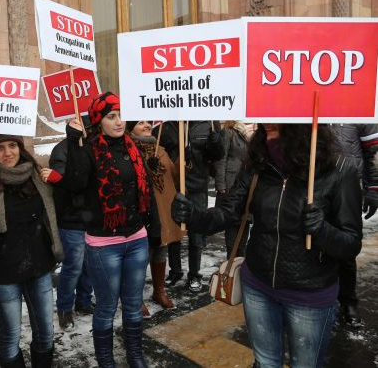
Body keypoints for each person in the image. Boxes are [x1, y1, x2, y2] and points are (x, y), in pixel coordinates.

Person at [172, 123, 362, 368]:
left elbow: (350, 245)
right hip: (258, 287)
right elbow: (228, 212)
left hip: (309, 294)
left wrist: (322, 231)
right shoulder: (258, 161)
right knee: (265, 362)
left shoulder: (337, 168)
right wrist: (194, 216)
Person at [54, 92, 155, 368]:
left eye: (121, 114)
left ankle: (135, 356)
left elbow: (142, 190)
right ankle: (106, 361)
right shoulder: (88, 149)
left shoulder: (132, 148)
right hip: (103, 243)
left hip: (136, 238)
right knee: (108, 306)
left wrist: (151, 224)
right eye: (111, 116)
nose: (119, 121)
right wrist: (74, 141)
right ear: (99, 121)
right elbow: (74, 183)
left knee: (134, 304)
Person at [0, 134, 63, 368]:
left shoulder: (39, 178)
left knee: (45, 333)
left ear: (21, 148)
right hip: (3, 273)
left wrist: (61, 184)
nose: (7, 153)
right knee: (10, 337)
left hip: (39, 268)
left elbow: (66, 209)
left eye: (12, 146)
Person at [153, 121, 224, 291]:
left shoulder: (208, 124)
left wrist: (215, 143)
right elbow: (158, 153)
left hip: (198, 185)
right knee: (173, 231)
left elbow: (217, 155)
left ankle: (194, 274)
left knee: (196, 233)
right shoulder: (165, 125)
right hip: (173, 186)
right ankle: (175, 271)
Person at [127, 120, 183, 314]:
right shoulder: (127, 150)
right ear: (131, 127)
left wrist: (183, 162)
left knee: (160, 249)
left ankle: (159, 291)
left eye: (148, 122)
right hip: (142, 210)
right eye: (140, 122)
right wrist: (146, 167)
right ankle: (136, 298)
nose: (146, 125)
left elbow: (174, 176)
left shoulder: (160, 149)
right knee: (141, 255)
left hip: (163, 209)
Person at [47, 125, 95, 330]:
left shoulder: (93, 147)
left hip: (91, 217)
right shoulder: (61, 150)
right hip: (71, 218)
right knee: (73, 266)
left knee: (89, 265)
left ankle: (84, 301)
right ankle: (64, 308)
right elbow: (67, 181)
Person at [330, 124, 378, 326]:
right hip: (313, 187)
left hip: (348, 189)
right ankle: (323, 297)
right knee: (315, 243)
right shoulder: (309, 101)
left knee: (346, 248)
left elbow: (372, 154)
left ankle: (348, 301)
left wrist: (374, 187)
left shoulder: (358, 107)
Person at [213, 121, 254, 258]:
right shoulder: (229, 132)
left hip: (248, 188)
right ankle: (231, 265)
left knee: (244, 223)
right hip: (231, 186)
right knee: (231, 228)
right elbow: (221, 159)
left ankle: (240, 264)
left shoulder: (255, 133)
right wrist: (221, 186)